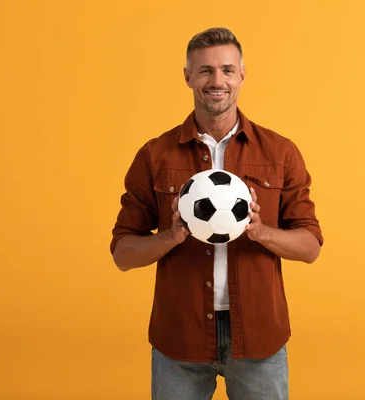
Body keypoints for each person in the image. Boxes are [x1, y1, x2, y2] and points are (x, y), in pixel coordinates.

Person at [111, 27, 323, 400]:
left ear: (241, 75)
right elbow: (123, 254)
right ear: (188, 76)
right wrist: (172, 235)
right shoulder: (155, 155)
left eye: (227, 70)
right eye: (205, 70)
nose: (216, 80)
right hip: (180, 340)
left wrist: (261, 232)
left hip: (259, 339)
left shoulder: (281, 152)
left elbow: (310, 247)